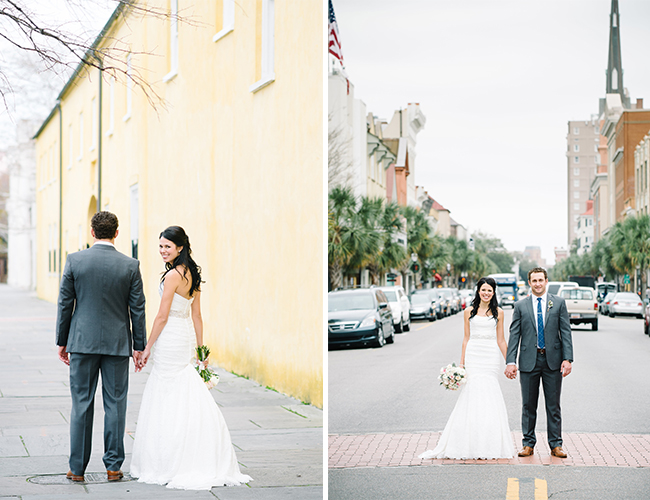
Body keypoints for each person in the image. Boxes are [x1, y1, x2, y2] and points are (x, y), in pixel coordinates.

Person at [130, 226, 251, 490]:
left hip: (170, 337)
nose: (163, 251)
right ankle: (198, 451)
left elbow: (161, 316)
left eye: (167, 247)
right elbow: (196, 316)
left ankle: (172, 459)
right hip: (183, 337)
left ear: (180, 248)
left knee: (167, 392)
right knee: (185, 389)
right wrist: (200, 350)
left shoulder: (173, 275)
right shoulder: (192, 274)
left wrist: (148, 346)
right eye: (160, 246)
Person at [56, 211, 146, 483]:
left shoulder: (75, 260)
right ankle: (113, 466)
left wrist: (62, 341)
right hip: (117, 344)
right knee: (116, 405)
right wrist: (138, 345)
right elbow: (137, 309)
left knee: (81, 404)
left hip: (82, 342)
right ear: (116, 233)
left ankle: (77, 469)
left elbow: (65, 304)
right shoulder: (130, 265)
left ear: (92, 232)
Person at [419, 278, 514, 459]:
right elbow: (466, 338)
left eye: (490, 291)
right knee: (472, 394)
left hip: (490, 356)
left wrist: (510, 361)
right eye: (483, 290)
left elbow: (501, 340)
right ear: (478, 291)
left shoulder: (499, 313)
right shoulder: (468, 312)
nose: (486, 293)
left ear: (494, 293)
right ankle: (467, 443)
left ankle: (490, 443)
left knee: (489, 393)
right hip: (474, 355)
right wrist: (461, 364)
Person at [505, 267, 573, 458]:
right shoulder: (520, 306)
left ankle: (556, 445)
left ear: (546, 281)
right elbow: (514, 335)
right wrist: (511, 360)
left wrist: (567, 359)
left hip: (553, 361)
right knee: (528, 405)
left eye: (540, 280)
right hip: (528, 361)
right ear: (529, 283)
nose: (537, 284)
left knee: (553, 405)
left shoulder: (558, 303)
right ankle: (528, 444)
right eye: (534, 280)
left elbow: (565, 332)